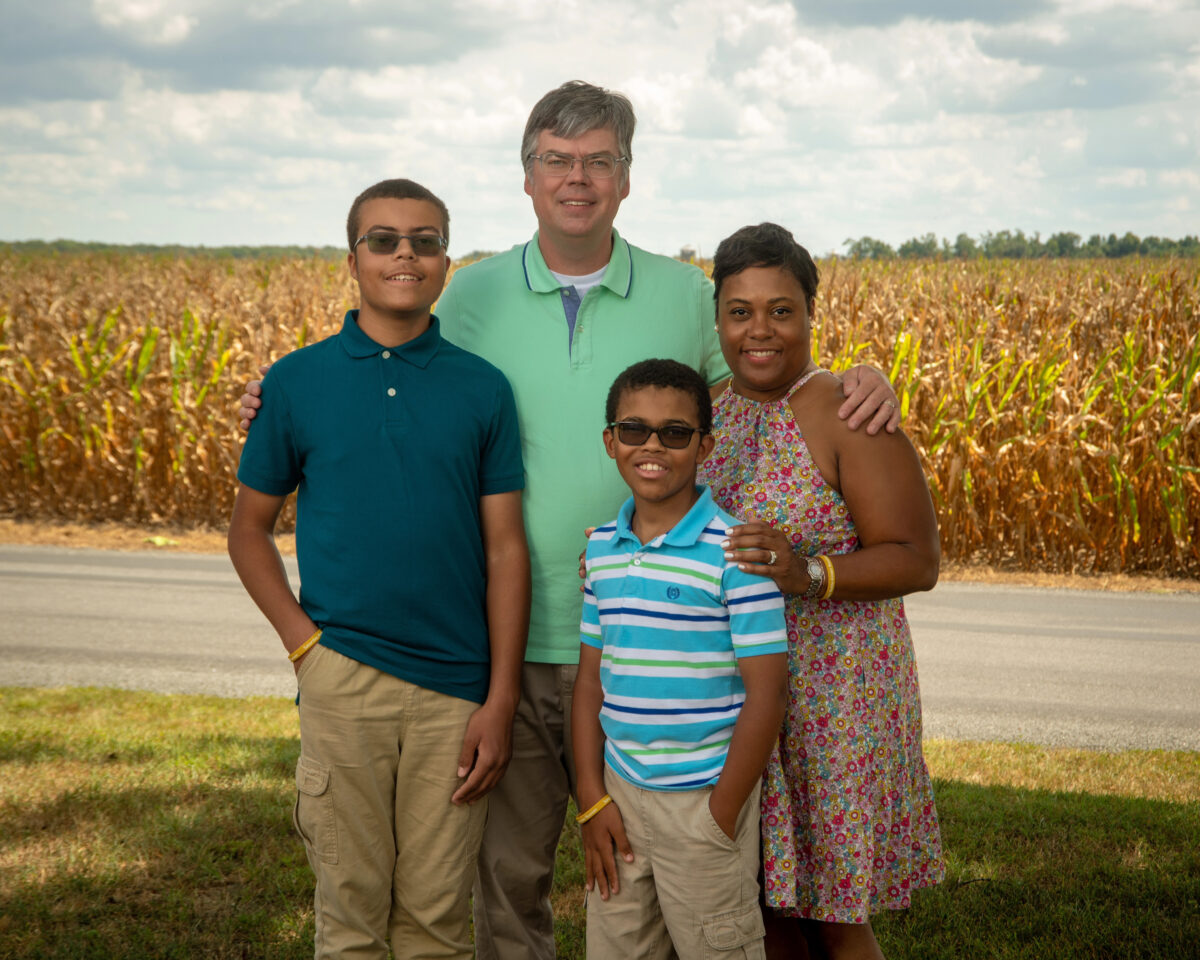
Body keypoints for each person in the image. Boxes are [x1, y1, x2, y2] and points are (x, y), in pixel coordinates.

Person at [237, 81, 901, 960]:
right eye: (556, 159)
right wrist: (271, 393)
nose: (577, 178)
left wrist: (859, 376)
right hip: (496, 645)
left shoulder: (681, 292)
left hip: (650, 650)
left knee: (655, 887)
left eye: (599, 161)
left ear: (627, 178)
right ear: (526, 177)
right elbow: (383, 351)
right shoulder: (467, 296)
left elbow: (765, 361)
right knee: (507, 886)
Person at [227, 178, 530, 960]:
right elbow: (249, 532)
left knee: (436, 920)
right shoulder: (296, 382)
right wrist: (306, 647)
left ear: (446, 261)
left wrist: (500, 698)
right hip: (343, 678)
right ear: (353, 259)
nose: (406, 254)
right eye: (385, 240)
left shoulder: (482, 388)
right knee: (351, 915)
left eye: (425, 240)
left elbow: (504, 550)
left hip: (455, 695)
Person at [705, 223, 944, 960]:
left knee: (832, 913)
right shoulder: (708, 409)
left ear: (812, 314)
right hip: (737, 690)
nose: (760, 331)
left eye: (782, 309)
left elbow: (916, 557)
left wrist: (809, 573)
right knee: (761, 897)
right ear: (717, 319)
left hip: (833, 693)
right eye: (740, 311)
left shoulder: (847, 410)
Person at [573, 358, 788, 960]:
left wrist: (721, 815)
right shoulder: (601, 550)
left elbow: (767, 693)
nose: (653, 447)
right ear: (611, 440)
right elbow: (591, 684)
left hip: (702, 803)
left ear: (704, 446)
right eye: (635, 430)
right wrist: (591, 799)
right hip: (618, 796)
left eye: (675, 433)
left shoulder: (737, 553)